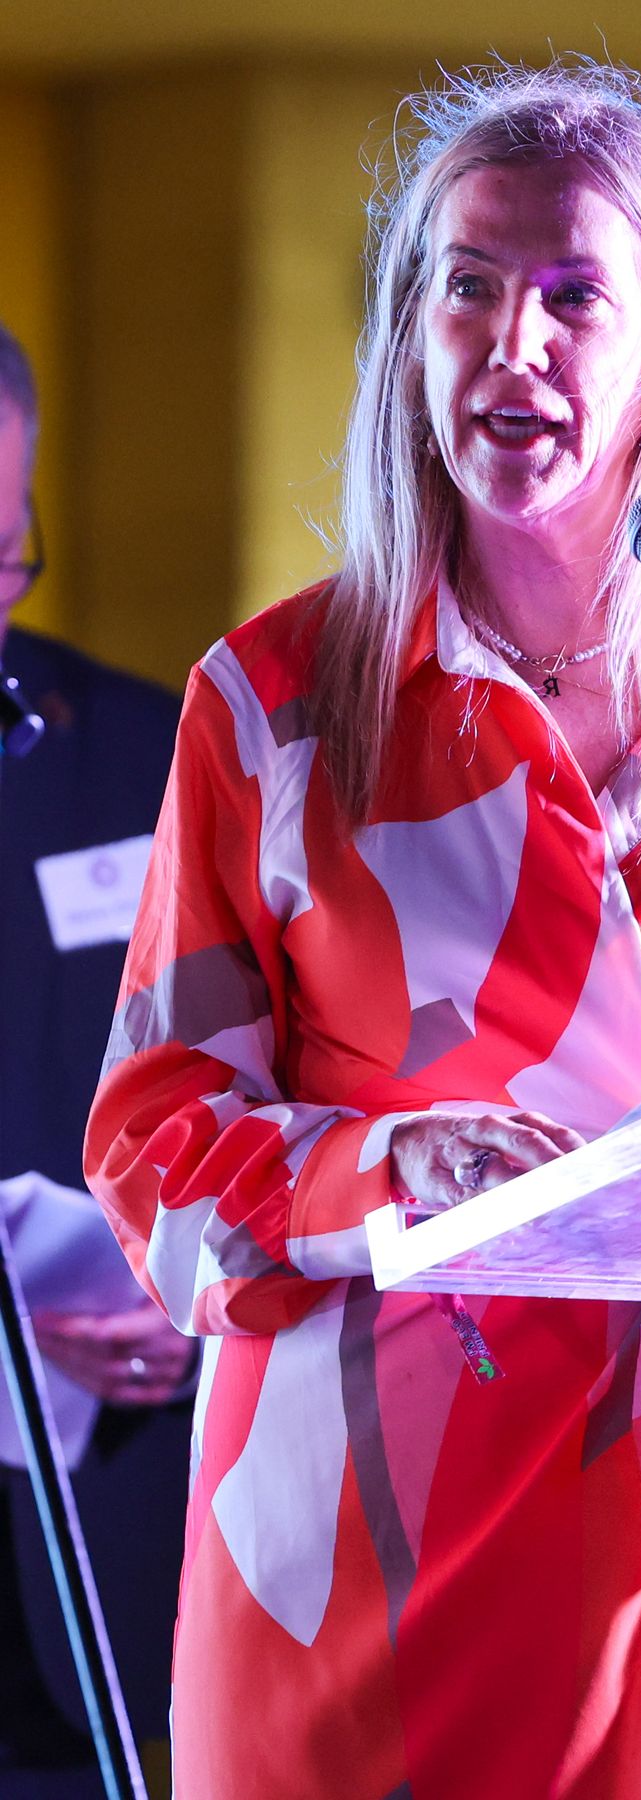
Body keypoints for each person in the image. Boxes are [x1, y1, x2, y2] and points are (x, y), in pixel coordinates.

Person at [85, 60, 641, 1800]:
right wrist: (387, 1169)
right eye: (467, 285)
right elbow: (153, 1149)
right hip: (370, 1575)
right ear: (411, 330)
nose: (511, 344)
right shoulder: (276, 704)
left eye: (571, 297)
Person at [0, 323, 193, 1792]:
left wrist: (208, 1288)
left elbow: (253, 1082)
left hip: (96, 1561)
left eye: (7, 557)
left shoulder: (143, 753)